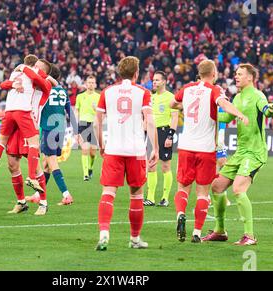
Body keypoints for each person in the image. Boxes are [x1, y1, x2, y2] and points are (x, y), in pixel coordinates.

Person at [203, 63, 273, 245]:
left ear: (250, 78)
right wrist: (207, 112)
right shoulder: (237, 98)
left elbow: (265, 109)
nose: (236, 77)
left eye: (240, 74)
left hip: (255, 153)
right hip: (240, 152)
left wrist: (271, 109)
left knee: (238, 189)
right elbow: (226, 117)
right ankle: (220, 231)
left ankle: (250, 236)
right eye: (236, 74)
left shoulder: (258, 95)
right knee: (216, 187)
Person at [170, 59, 248, 243]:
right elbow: (224, 104)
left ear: (198, 73)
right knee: (203, 192)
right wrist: (239, 114)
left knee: (183, 187)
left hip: (186, 146)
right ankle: (197, 232)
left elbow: (173, 104)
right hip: (205, 149)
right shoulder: (214, 90)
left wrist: (184, 105)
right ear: (214, 74)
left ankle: (180, 213)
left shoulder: (187, 88)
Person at [94, 56, 159, 251]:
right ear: (136, 73)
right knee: (137, 195)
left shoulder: (107, 91)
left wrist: (101, 144)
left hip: (113, 148)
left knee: (108, 192)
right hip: (136, 150)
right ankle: (134, 239)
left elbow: (97, 122)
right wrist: (154, 148)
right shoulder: (143, 92)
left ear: (119, 72)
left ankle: (104, 234)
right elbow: (150, 121)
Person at [0, 55, 52, 193]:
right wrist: (14, 81)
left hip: (25, 118)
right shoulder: (23, 74)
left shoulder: (44, 81)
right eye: (36, 65)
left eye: (40, 67)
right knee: (12, 164)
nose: (37, 68)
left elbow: (43, 80)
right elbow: (3, 84)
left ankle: (42, 202)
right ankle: (21, 201)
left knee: (35, 164)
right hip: (21, 117)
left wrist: (22, 67)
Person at [27, 65, 78, 206]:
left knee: (52, 163)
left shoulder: (45, 89)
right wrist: (77, 131)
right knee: (46, 164)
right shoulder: (62, 91)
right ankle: (38, 194)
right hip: (60, 130)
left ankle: (66, 195)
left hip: (49, 129)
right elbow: (70, 112)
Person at [143, 71, 178, 207]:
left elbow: (175, 117)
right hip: (151, 133)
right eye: (153, 80)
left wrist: (170, 135)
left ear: (164, 81)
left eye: (157, 80)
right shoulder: (150, 97)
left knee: (165, 166)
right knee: (151, 165)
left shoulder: (171, 97)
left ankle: (165, 197)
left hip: (164, 132)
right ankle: (150, 198)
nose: (154, 82)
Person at [75, 76, 100, 181]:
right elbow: (77, 111)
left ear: (95, 84)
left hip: (94, 124)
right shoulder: (80, 96)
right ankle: (85, 175)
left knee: (93, 152)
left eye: (92, 82)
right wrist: (76, 125)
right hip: (83, 124)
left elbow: (102, 113)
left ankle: (90, 168)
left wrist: (96, 109)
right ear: (85, 84)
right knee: (85, 149)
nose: (90, 84)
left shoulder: (99, 97)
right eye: (89, 82)